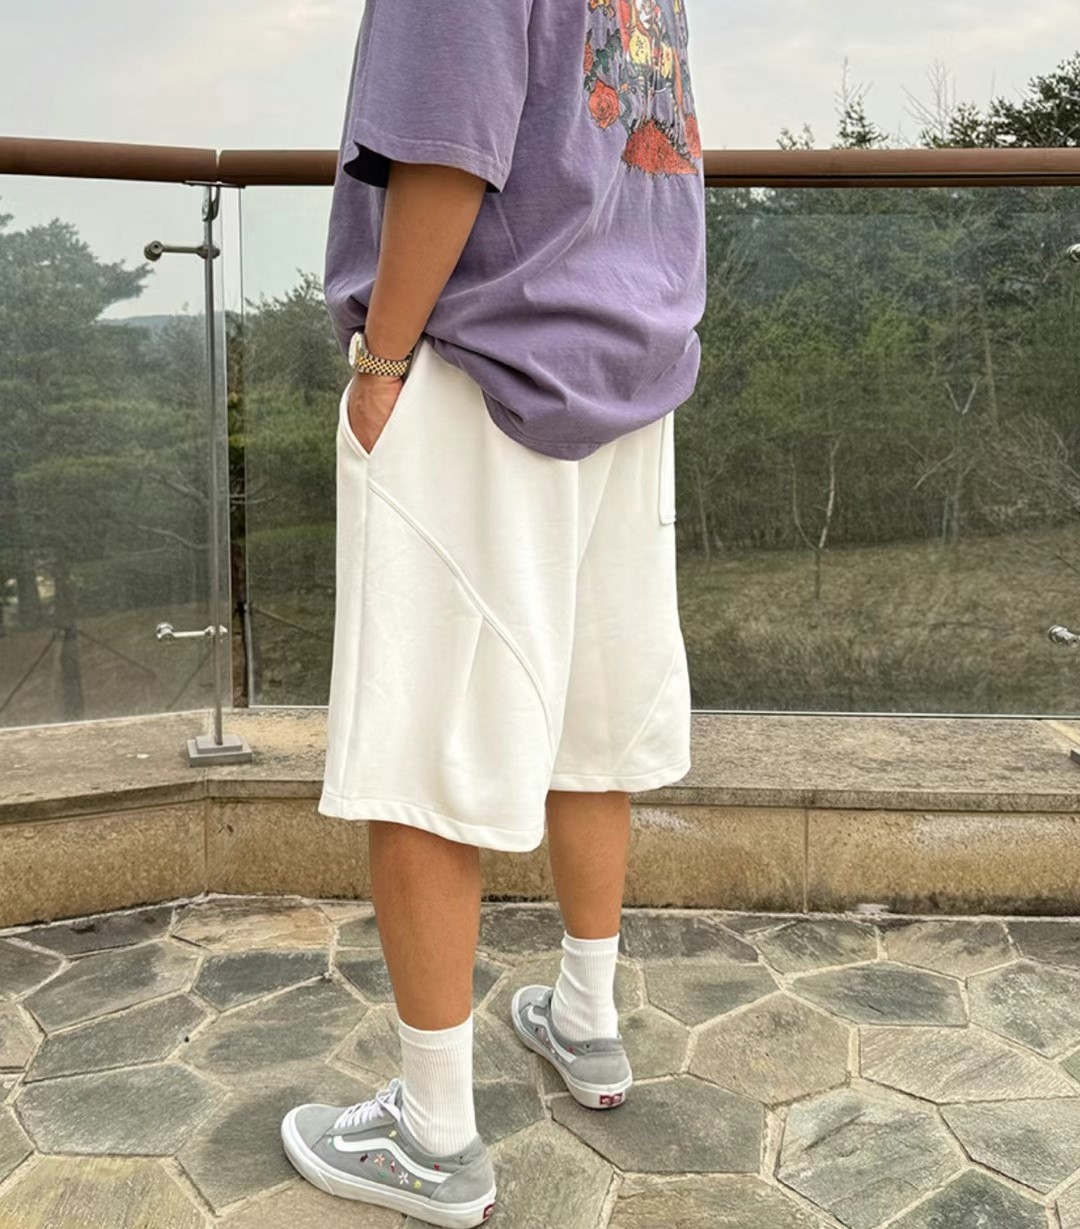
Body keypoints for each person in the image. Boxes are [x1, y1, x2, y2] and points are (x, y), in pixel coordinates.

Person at [280, 1, 705, 1223]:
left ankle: (432, 1132)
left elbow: (446, 149)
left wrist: (380, 362)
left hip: (481, 361)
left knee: (426, 742)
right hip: (626, 357)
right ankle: (586, 1015)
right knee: (590, 710)